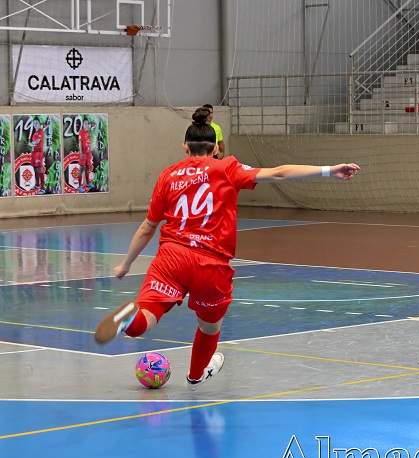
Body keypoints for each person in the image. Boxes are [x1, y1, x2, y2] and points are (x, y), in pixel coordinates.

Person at [94, 108, 360, 390]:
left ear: (185, 147)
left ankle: (128, 318)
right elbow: (280, 173)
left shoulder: (167, 176)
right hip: (211, 264)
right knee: (209, 326)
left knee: (144, 321)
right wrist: (329, 170)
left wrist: (125, 265)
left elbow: (148, 227)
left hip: (171, 257)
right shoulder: (227, 168)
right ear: (215, 149)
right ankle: (195, 375)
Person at [29, 119, 46, 195]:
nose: (35, 124)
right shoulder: (35, 132)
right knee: (35, 169)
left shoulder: (40, 131)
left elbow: (36, 142)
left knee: (39, 169)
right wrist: (32, 144)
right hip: (34, 153)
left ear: (39, 124)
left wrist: (31, 144)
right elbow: (33, 143)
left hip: (39, 153)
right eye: (34, 123)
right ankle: (37, 185)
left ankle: (43, 188)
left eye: (37, 123)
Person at [78, 119, 94, 192]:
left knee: (87, 168)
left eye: (87, 123)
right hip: (83, 153)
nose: (86, 125)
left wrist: (90, 153)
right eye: (85, 123)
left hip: (88, 153)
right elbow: (80, 143)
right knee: (81, 168)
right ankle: (79, 186)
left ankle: (87, 183)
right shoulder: (81, 132)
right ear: (83, 124)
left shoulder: (88, 132)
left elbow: (89, 143)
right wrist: (81, 153)